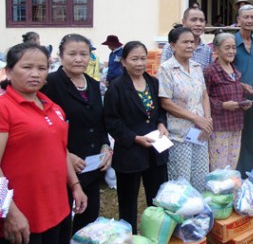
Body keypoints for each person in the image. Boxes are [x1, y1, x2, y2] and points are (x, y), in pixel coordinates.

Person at [0, 43, 87, 244]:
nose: (35, 74)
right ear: (9, 72)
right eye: (27, 67)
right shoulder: (4, 108)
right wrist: (10, 212)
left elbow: (60, 149)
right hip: (22, 214)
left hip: (57, 208)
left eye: (42, 68)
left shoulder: (52, 106)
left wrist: (75, 185)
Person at [41, 34, 112, 240]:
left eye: (84, 54)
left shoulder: (92, 83)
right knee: (61, 225)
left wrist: (105, 146)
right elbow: (45, 126)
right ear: (61, 56)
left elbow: (100, 122)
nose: (78, 59)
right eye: (72, 54)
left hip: (90, 165)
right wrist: (67, 155)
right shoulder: (51, 83)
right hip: (61, 165)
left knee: (88, 220)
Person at [104, 41, 169, 234]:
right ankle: (128, 235)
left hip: (156, 149)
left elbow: (161, 111)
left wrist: (161, 124)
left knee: (157, 198)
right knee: (128, 201)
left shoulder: (153, 82)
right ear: (123, 62)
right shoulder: (116, 87)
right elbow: (111, 121)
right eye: (134, 59)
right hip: (130, 151)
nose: (139, 63)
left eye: (142, 58)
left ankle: (156, 233)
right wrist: (134, 138)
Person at [159, 27, 212, 192]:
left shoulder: (196, 67)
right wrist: (196, 118)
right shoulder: (166, 69)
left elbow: (204, 95)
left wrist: (207, 120)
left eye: (192, 42)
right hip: (179, 135)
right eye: (185, 42)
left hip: (200, 132)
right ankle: (182, 215)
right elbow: (165, 102)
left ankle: (198, 213)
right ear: (173, 45)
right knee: (181, 181)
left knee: (200, 176)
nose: (190, 45)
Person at [204, 33, 250, 171]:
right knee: (219, 167)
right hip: (219, 126)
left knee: (231, 164)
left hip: (236, 124)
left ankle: (228, 191)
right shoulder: (210, 71)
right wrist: (222, 105)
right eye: (227, 48)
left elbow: (234, 95)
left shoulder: (235, 71)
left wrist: (243, 102)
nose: (231, 51)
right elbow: (203, 98)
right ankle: (217, 191)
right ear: (216, 49)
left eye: (234, 47)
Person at [233, 4, 253, 174]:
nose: (249, 20)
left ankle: (247, 174)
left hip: (251, 99)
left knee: (250, 138)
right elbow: (224, 69)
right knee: (235, 139)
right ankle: (234, 175)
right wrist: (240, 84)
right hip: (233, 100)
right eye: (246, 17)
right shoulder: (230, 42)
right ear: (239, 20)